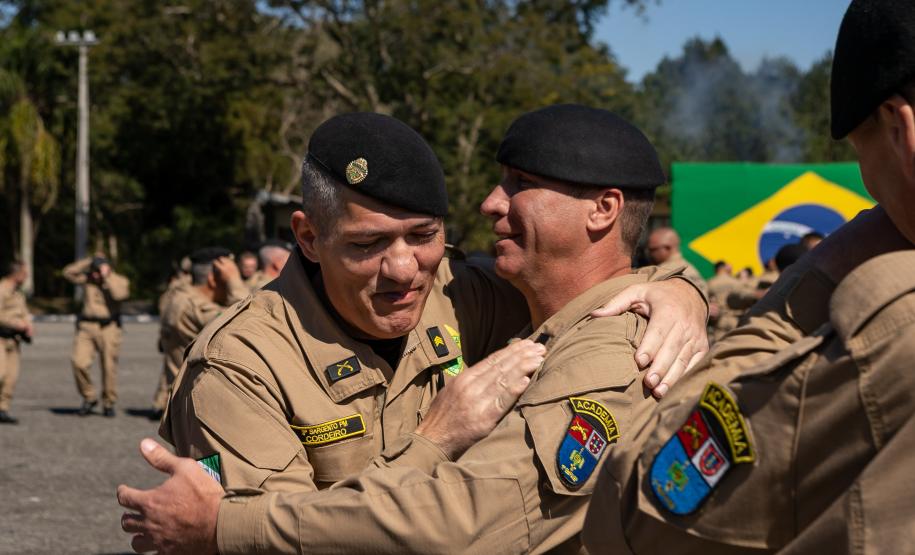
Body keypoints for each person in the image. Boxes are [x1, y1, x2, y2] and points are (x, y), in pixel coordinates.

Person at [117, 106, 709, 554]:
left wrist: (682, 290)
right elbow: (276, 541)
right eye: (367, 244)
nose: (403, 270)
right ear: (307, 239)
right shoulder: (240, 365)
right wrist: (432, 441)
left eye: (424, 237)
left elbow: (599, 281)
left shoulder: (459, 294)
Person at [582, 0, 915, 551]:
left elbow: (637, 504)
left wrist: (821, 274)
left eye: (864, 153)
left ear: (900, 130)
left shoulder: (892, 324)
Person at [151, 248, 246, 420]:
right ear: (212, 279)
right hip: (200, 405)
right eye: (227, 281)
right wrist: (235, 282)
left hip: (185, 400)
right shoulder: (197, 307)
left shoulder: (179, 296)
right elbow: (247, 323)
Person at [63, 254, 130, 417]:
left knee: (108, 367)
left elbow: (120, 295)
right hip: (86, 327)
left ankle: (109, 402)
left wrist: (106, 276)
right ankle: (89, 397)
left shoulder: (119, 280)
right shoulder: (88, 280)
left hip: (109, 328)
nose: (94, 275)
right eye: (92, 271)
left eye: (97, 271)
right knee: (78, 362)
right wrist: (89, 260)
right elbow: (67, 272)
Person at [0, 261, 32, 424]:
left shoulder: (18, 294)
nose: (27, 276)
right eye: (25, 273)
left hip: (14, 341)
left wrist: (28, 325)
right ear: (16, 274)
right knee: (1, 373)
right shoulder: (1, 290)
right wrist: (16, 323)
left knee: (11, 377)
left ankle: (3, 409)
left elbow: (24, 312)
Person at [646, 227, 708, 297]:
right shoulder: (689, 267)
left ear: (667, 248)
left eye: (652, 249)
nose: (650, 253)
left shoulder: (664, 271)